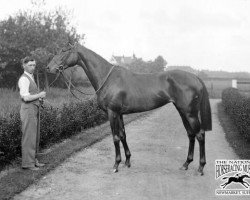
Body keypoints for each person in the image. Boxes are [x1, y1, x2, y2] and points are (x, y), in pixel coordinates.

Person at [18, 56, 46, 170]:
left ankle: (33, 160)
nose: (32, 67)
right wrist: (39, 95)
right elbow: (25, 97)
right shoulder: (24, 79)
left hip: (33, 108)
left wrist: (38, 99)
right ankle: (28, 164)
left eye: (34, 65)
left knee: (34, 136)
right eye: (30, 65)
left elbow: (31, 95)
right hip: (28, 110)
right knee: (29, 136)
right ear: (24, 65)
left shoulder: (31, 77)